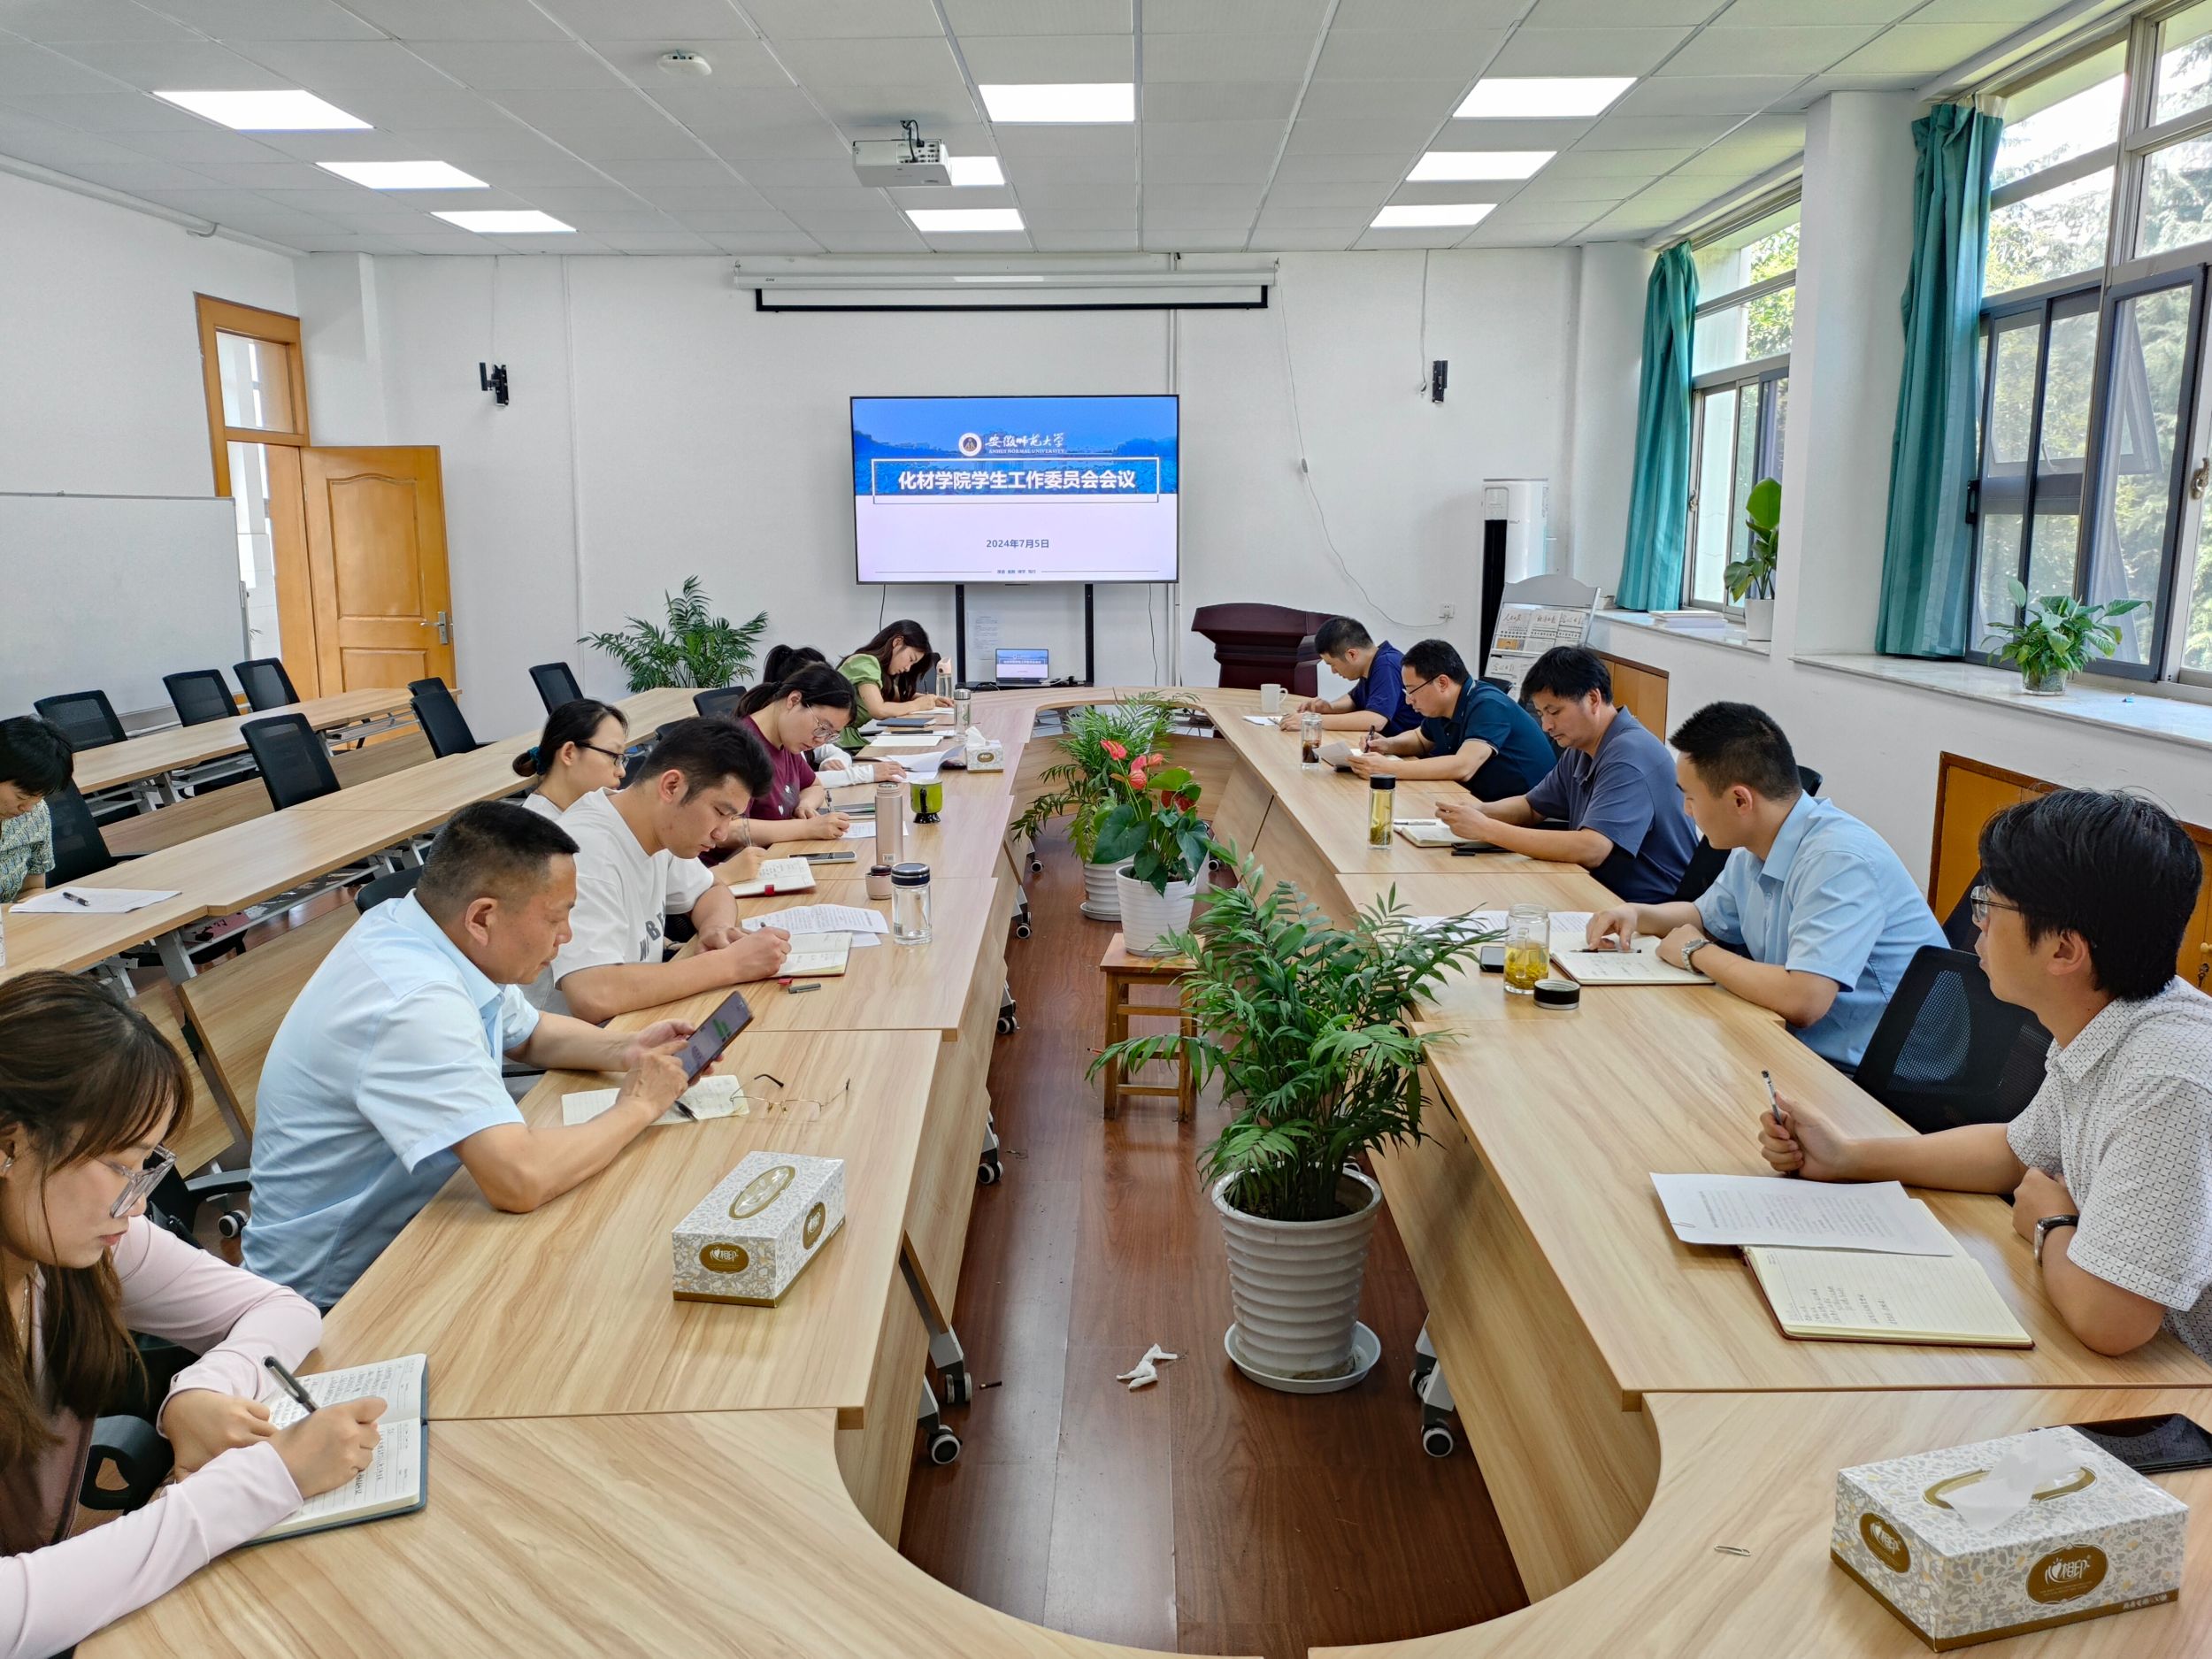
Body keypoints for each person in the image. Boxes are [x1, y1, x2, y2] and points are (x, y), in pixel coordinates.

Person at [0, 972, 385, 1657]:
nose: (137, 1203)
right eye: (120, 1166)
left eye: (147, 1167)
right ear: (9, 1146)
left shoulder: (76, 1240)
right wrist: (262, 1482)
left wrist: (202, 1390)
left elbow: (282, 1307)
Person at [1760, 789, 2212, 1362]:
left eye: (1990, 906)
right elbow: (2015, 1151)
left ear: (2064, 950)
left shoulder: (2169, 1077)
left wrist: (2050, 1220)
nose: (1977, 926)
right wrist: (1849, 1157)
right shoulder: (2108, 1020)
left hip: (2179, 1379)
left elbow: (2112, 1320)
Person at [246, 803, 697, 1308]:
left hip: (422, 1226)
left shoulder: (422, 928)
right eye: (556, 917)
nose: (566, 935)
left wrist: (627, 1048)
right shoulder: (414, 1000)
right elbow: (519, 1179)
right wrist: (638, 1106)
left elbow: (529, 1032)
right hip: (334, 1294)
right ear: (483, 917)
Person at [1587, 702, 1943, 1069]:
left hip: (1875, 1074)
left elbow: (1804, 999)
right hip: (1797, 1045)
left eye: (1690, 797)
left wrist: (1696, 951)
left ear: (1740, 800)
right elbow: (1706, 917)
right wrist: (1636, 914)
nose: (1686, 811)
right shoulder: (1757, 844)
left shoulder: (1838, 861)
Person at [531, 717, 789, 1021]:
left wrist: (716, 929)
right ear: (671, 786)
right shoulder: (585, 850)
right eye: (720, 812)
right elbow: (592, 994)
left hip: (636, 1021)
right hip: (583, 1040)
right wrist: (730, 963)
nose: (722, 834)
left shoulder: (661, 827)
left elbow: (711, 891)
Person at [1436, 646, 1695, 902]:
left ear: (1592, 699)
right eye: (1541, 714)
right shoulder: (1581, 748)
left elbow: (1593, 848)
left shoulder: (1630, 755)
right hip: (1598, 889)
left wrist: (1487, 829)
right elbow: (1532, 807)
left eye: (1555, 712)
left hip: (1647, 907)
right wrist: (1476, 811)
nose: (1546, 726)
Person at [1345, 638, 1555, 797]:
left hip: (1525, 809)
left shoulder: (1489, 704)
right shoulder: (1441, 706)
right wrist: (1387, 745)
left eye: (1412, 690)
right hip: (1476, 798)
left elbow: (1464, 767)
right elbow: (1421, 739)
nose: (1409, 700)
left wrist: (1389, 769)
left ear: (1442, 683)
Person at [729, 666, 861, 846]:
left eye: (830, 735)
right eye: (822, 728)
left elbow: (814, 786)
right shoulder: (739, 748)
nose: (820, 740)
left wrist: (805, 805)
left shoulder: (785, 742)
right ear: (794, 700)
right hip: (739, 860)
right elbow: (729, 829)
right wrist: (807, 828)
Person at [1286, 617, 1417, 736]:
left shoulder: (1386, 664)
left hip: (1408, 751)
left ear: (1352, 654)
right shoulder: (1372, 663)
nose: (1333, 671)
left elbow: (1376, 720)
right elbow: (1354, 700)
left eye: (1333, 664)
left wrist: (1313, 720)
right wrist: (1330, 708)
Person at [834, 620, 951, 752]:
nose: (908, 668)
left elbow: (900, 696)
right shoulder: (865, 662)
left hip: (846, 741)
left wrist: (933, 700)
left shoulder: (877, 670)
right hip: (838, 744)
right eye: (911, 659)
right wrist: (918, 705)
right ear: (897, 642)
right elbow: (879, 710)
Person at [512, 699, 629, 821]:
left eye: (621, 758)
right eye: (613, 755)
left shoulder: (582, 811)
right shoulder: (542, 829)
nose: (622, 772)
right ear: (568, 754)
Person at [0, 717, 71, 904]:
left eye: (38, 798)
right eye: (21, 797)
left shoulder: (35, 814)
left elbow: (32, 888)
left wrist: (32, 908)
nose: (27, 808)